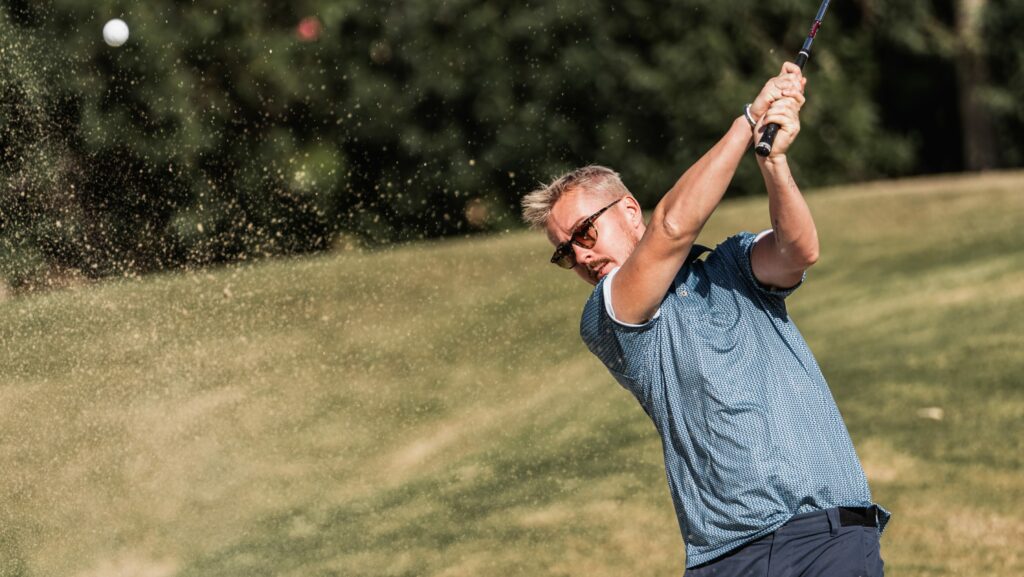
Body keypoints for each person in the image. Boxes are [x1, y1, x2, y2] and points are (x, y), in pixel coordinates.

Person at [520, 63, 890, 576]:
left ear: (628, 210)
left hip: (828, 535)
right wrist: (748, 118)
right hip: (729, 559)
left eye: (584, 234)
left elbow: (798, 251)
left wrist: (773, 160)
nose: (580, 257)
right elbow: (671, 226)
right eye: (565, 254)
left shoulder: (729, 263)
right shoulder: (608, 316)